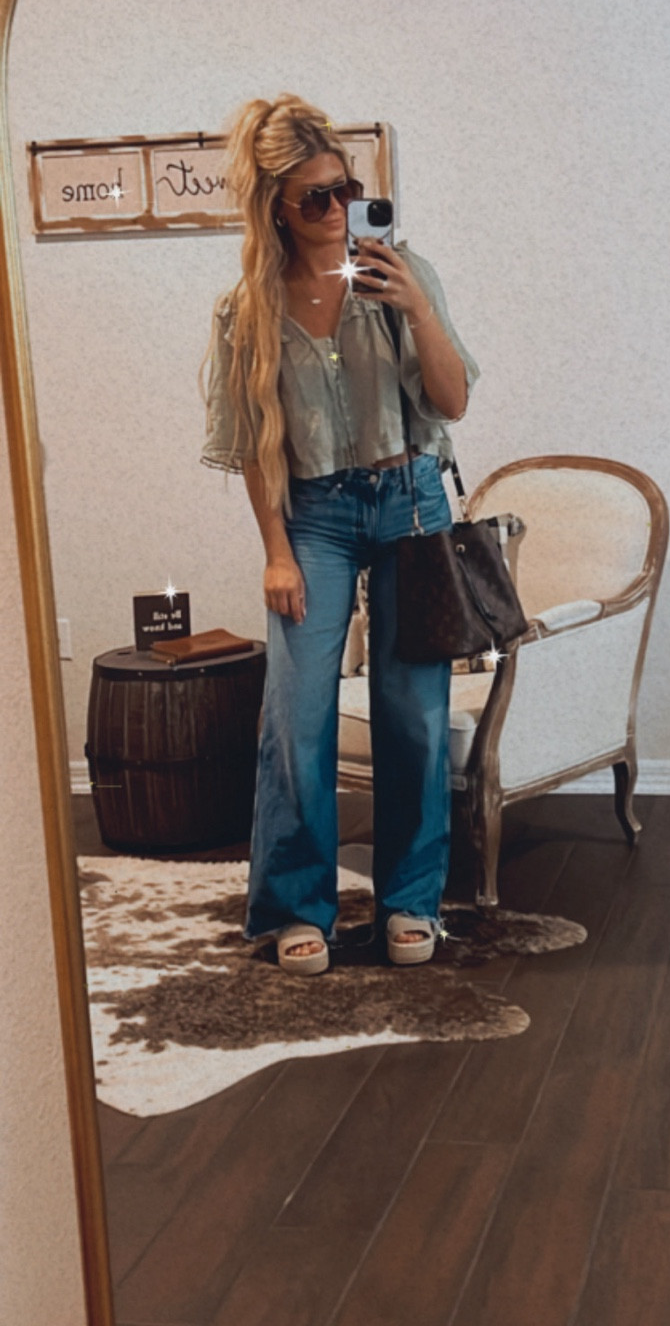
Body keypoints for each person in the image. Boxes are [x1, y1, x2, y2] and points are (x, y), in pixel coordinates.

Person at [201, 94, 478, 974]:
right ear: (277, 207)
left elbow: (451, 401)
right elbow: (255, 444)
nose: (335, 208)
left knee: (414, 715)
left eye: (345, 189)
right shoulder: (247, 309)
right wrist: (275, 553)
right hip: (313, 516)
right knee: (297, 714)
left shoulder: (401, 272)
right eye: (314, 196)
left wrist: (416, 306)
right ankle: (296, 905)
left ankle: (411, 900)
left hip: (409, 503)